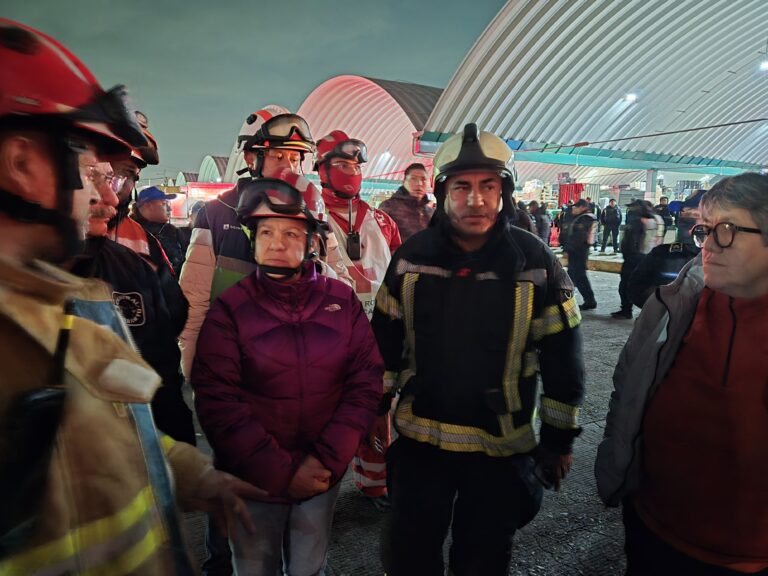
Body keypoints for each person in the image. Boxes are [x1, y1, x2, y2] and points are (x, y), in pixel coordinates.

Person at [0, 19, 263, 574]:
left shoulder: (64, 299)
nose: (102, 192)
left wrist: (196, 475)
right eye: (88, 169)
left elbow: (115, 432)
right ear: (22, 165)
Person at [372, 123, 585, 576]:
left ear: (504, 193)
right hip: (419, 445)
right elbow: (384, 345)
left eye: (489, 186)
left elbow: (564, 356)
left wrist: (558, 440)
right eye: (462, 187)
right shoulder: (410, 257)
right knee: (409, 554)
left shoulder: (534, 262)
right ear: (444, 193)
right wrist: (371, 409)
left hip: (501, 447)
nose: (476, 199)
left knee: (483, 559)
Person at [191, 177, 383, 575]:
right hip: (252, 477)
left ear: (313, 239)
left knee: (309, 563)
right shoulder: (230, 308)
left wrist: (325, 461)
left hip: (320, 477)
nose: (276, 243)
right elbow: (216, 400)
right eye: (265, 232)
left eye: (291, 232)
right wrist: (282, 471)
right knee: (255, 565)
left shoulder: (341, 300)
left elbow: (364, 382)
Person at [596, 172, 768, 575]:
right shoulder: (672, 306)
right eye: (704, 230)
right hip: (654, 529)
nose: (708, 246)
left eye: (726, 230)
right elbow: (627, 387)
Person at [70, 162, 196, 445]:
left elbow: (173, 313)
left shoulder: (141, 248)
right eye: (92, 176)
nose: (112, 195)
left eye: (121, 179)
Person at [314, 130, 401, 509]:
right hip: (324, 338)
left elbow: (401, 275)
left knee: (377, 414)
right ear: (321, 170)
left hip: (375, 336)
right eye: (342, 165)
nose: (351, 172)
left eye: (355, 166)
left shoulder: (382, 221)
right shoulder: (308, 217)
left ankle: (374, 482)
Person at [626, 192, 703, 308]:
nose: (687, 216)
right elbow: (635, 288)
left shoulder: (724, 262)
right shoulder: (663, 254)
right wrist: (664, 299)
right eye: (684, 211)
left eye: (696, 213)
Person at [611, 200, 659, 319]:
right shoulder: (653, 220)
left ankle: (626, 309)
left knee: (625, 284)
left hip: (634, 257)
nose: (630, 210)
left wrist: (627, 253)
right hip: (646, 255)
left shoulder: (637, 221)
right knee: (640, 284)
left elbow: (633, 241)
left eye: (632, 208)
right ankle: (646, 310)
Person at [131, 185, 187, 276]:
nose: (170, 209)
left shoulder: (173, 231)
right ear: (149, 206)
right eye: (164, 204)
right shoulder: (129, 230)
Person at [378, 162, 434, 241]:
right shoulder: (389, 207)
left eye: (423, 179)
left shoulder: (430, 213)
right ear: (404, 181)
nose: (419, 183)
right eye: (413, 179)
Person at [565, 199, 598, 310]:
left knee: (579, 276)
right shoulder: (582, 217)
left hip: (578, 251)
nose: (573, 208)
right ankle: (567, 299)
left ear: (583, 207)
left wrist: (569, 248)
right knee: (572, 276)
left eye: (576, 207)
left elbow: (579, 237)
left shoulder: (585, 218)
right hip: (576, 250)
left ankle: (590, 301)